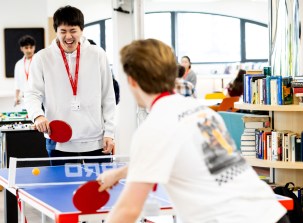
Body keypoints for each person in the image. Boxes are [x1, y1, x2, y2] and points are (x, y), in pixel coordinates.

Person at [97, 39, 287, 223]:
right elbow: (177, 156)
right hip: (271, 213)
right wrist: (118, 174)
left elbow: (128, 209)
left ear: (131, 81)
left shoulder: (153, 127)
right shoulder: (201, 111)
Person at [24, 5, 116, 164]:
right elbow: (32, 93)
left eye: (73, 31)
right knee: (60, 188)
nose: (68, 37)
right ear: (56, 31)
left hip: (95, 140)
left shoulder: (97, 54)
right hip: (58, 140)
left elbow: (108, 96)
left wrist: (110, 133)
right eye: (63, 31)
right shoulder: (42, 58)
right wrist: (37, 115)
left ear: (81, 30)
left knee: (98, 188)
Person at [14, 35, 36, 107]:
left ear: (34, 47)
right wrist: (16, 97)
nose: (29, 50)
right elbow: (17, 83)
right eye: (26, 48)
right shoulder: (19, 64)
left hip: (38, 98)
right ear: (21, 48)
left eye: (31, 47)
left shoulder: (39, 61)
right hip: (24, 98)